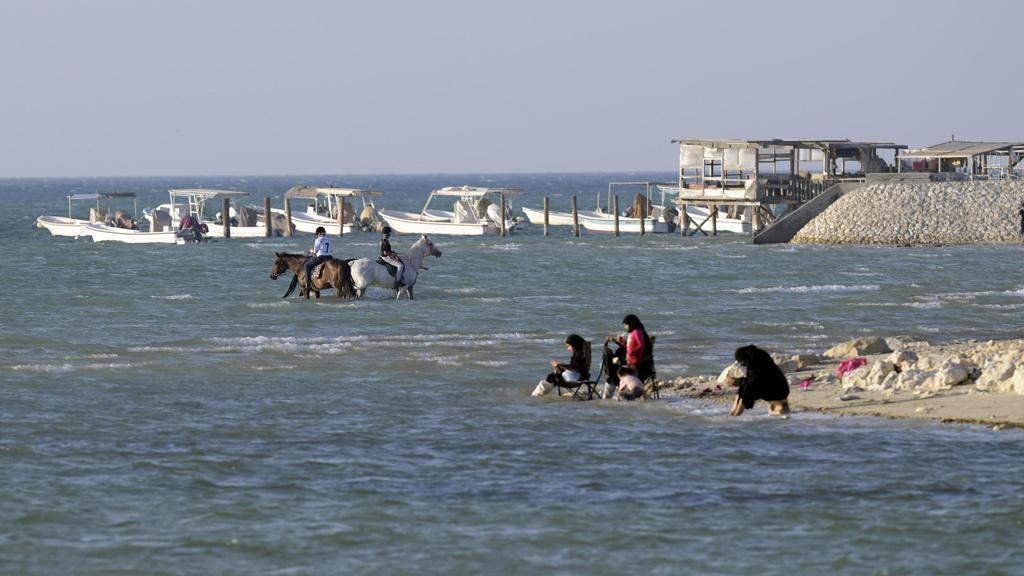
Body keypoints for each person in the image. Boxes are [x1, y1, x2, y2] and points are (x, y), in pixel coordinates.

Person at [726, 344, 790, 416]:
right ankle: (734, 411)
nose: (743, 364)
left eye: (742, 362)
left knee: (748, 391)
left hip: (778, 392)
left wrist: (735, 381)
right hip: (779, 389)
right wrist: (737, 382)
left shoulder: (757, 365)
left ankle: (736, 414)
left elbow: (752, 382)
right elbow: (749, 380)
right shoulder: (759, 359)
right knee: (744, 389)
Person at [601, 314, 652, 399]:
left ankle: (607, 398)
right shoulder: (636, 333)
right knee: (611, 365)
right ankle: (609, 395)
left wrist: (622, 359)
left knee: (610, 373)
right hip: (633, 362)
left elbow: (639, 347)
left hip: (636, 365)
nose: (624, 327)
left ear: (631, 324)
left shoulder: (636, 333)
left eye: (625, 324)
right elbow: (630, 347)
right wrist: (617, 341)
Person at [303, 226, 333, 294]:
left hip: (321, 258)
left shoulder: (318, 240)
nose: (317, 236)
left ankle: (308, 285)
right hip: (330, 258)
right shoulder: (329, 239)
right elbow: (330, 250)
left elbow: (315, 251)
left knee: (306, 265)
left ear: (318, 233)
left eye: (317, 235)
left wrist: (311, 251)